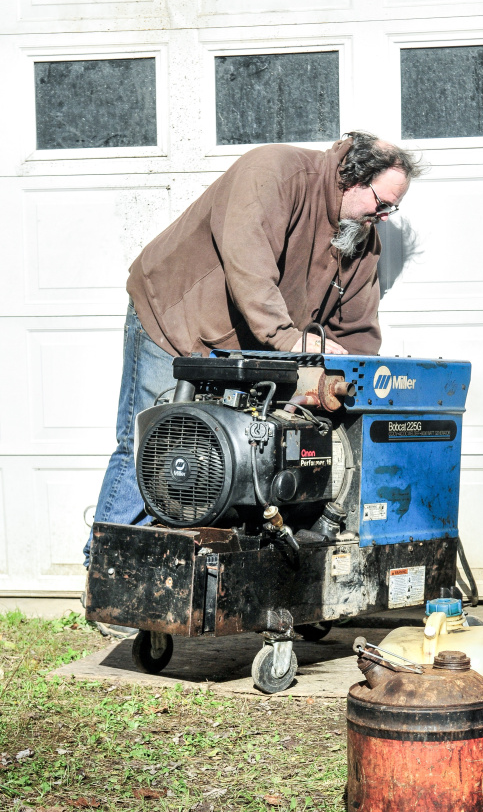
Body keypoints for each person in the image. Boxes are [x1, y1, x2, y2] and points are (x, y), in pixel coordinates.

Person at [83, 131, 422, 566]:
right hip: (174, 317)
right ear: (350, 178)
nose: (386, 216)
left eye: (393, 208)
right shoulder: (275, 172)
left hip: (243, 346)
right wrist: (289, 340)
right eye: (382, 202)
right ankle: (106, 567)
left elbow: (356, 328)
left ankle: (185, 573)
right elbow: (250, 272)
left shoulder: (361, 236)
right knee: (153, 442)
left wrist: (354, 380)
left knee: (228, 455)